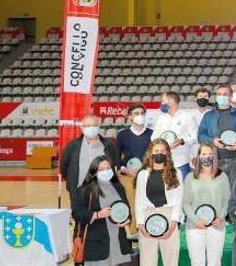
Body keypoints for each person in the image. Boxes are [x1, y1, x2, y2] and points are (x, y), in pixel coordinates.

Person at [73, 156, 132, 266]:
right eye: (101, 169)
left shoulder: (118, 187)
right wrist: (98, 214)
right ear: (94, 171)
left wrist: (126, 220)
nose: (106, 171)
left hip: (116, 239)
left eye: (108, 168)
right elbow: (77, 213)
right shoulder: (85, 189)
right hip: (97, 241)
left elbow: (126, 208)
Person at [135, 139, 184, 266]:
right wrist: (140, 223)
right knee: (148, 265)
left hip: (168, 217)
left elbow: (178, 200)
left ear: (168, 153)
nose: (159, 153)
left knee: (170, 265)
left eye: (163, 150)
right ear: (150, 152)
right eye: (156, 150)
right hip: (147, 219)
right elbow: (139, 200)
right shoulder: (142, 175)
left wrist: (173, 223)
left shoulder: (176, 173)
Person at [182, 143, 231, 266]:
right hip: (195, 227)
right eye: (203, 153)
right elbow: (186, 203)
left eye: (210, 153)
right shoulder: (189, 177)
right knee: (197, 264)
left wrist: (221, 217)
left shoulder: (222, 177)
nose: (206, 156)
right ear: (198, 156)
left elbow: (226, 200)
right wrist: (196, 220)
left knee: (214, 264)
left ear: (215, 156)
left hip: (216, 226)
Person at [61, 114, 119, 205]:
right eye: (87, 126)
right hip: (78, 191)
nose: (90, 128)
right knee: (81, 217)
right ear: (82, 127)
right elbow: (64, 168)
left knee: (102, 217)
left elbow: (115, 166)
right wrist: (73, 184)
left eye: (93, 125)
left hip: (104, 191)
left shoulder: (109, 145)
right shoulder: (72, 146)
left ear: (99, 126)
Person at [198, 84, 236, 187]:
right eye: (219, 94)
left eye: (225, 94)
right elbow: (200, 135)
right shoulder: (208, 115)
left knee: (234, 192)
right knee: (215, 190)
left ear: (230, 97)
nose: (221, 96)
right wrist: (213, 140)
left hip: (235, 160)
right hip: (214, 159)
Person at [115, 103, 152, 234]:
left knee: (148, 202)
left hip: (148, 174)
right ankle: (134, 232)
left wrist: (147, 171)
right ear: (129, 117)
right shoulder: (122, 135)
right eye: (136, 113)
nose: (140, 116)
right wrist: (125, 170)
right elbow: (116, 158)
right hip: (128, 175)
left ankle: (150, 229)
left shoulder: (152, 134)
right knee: (132, 200)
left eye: (142, 113)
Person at [151, 91, 198, 178]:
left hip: (181, 163)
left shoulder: (187, 116)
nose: (162, 103)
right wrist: (161, 144)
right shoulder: (161, 118)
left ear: (171, 101)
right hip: (163, 162)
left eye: (163, 101)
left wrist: (182, 140)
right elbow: (153, 137)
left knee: (182, 190)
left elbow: (195, 137)